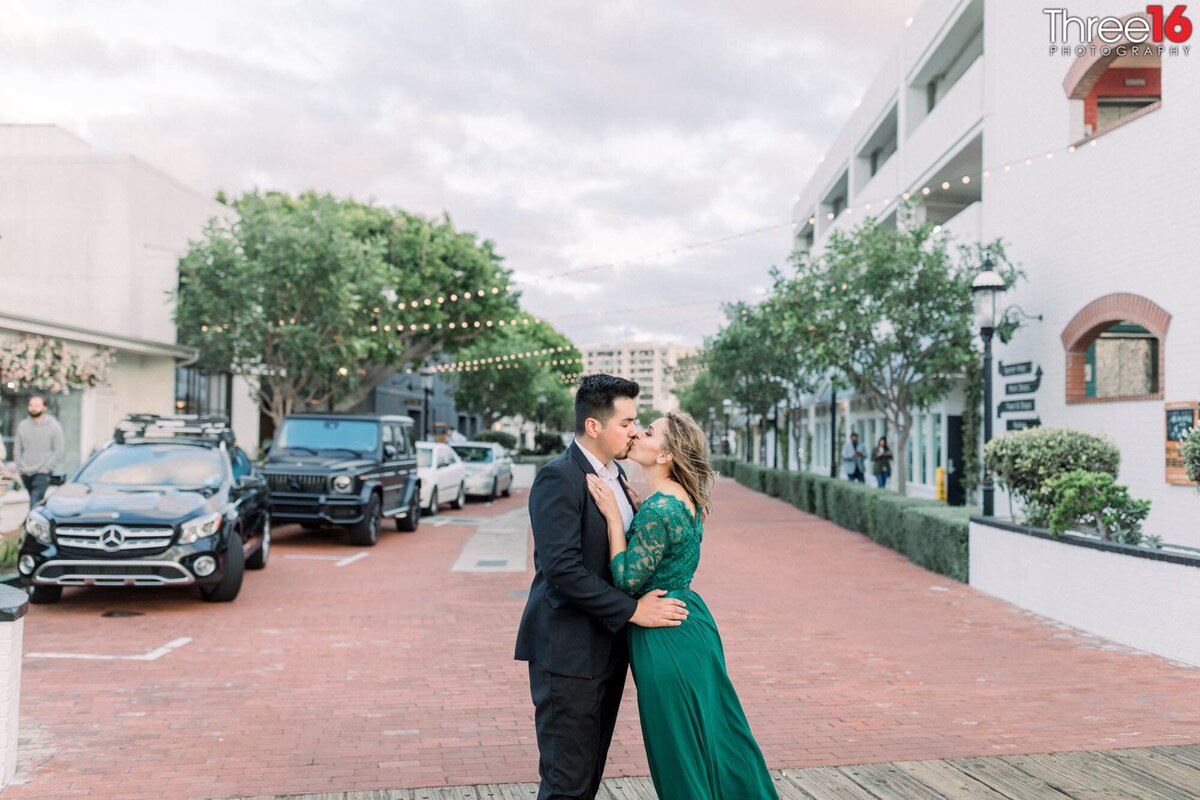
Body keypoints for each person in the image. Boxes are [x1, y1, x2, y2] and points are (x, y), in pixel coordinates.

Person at [586, 410, 778, 800]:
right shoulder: (680, 499)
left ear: (664, 456)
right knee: (718, 734)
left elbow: (626, 579)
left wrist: (612, 518)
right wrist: (639, 514)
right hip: (691, 624)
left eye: (649, 431)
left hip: (664, 633)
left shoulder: (659, 510)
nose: (637, 433)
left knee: (678, 749)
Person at [515, 374, 689, 800]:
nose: (634, 430)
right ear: (594, 426)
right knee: (566, 783)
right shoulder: (558, 477)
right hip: (569, 653)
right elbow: (562, 570)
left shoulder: (619, 479)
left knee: (588, 777)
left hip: (609, 652)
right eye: (626, 422)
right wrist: (633, 611)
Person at [14, 395, 64, 506]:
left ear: (44, 408)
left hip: (42, 472)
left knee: (35, 498)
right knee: (34, 498)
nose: (33, 408)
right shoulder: (22, 425)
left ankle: (31, 522)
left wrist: (46, 469)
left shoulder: (53, 426)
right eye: (31, 405)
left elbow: (58, 450)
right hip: (25, 471)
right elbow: (17, 449)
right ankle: (35, 521)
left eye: (37, 405)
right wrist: (20, 467)